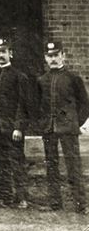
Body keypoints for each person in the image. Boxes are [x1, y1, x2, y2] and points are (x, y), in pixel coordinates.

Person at [37, 40, 89, 213]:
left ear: (63, 56)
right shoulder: (42, 80)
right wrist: (42, 122)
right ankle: (54, 202)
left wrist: (76, 123)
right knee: (51, 165)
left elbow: (84, 104)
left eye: (56, 55)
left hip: (68, 129)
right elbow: (37, 104)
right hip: (49, 129)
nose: (52, 59)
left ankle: (81, 203)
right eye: (49, 56)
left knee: (73, 165)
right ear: (45, 58)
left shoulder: (73, 78)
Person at [0, 38, 30, 207]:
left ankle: (22, 197)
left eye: (4, 52)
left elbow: (23, 105)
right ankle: (5, 196)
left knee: (16, 162)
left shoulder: (19, 76)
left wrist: (18, 127)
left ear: (10, 54)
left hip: (12, 129)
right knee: (0, 162)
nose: (0, 55)